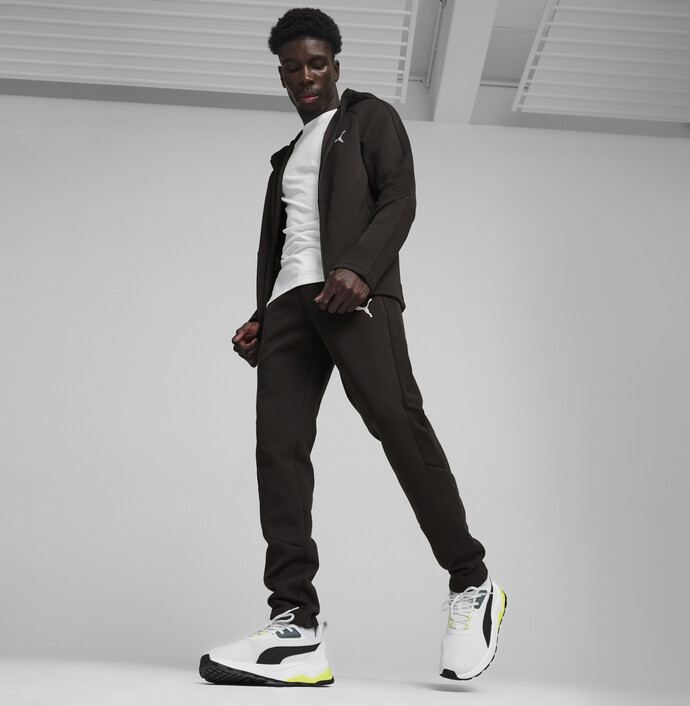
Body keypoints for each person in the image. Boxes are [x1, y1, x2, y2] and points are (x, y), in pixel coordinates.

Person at [199, 7, 506, 687]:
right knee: (277, 452)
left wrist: (361, 269)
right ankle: (295, 624)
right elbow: (289, 245)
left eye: (316, 63)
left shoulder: (369, 119)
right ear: (282, 76)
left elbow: (399, 198)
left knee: (396, 422)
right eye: (292, 68)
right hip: (289, 306)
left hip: (353, 294)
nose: (304, 76)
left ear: (335, 65)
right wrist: (262, 315)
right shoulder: (284, 159)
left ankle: (471, 580)